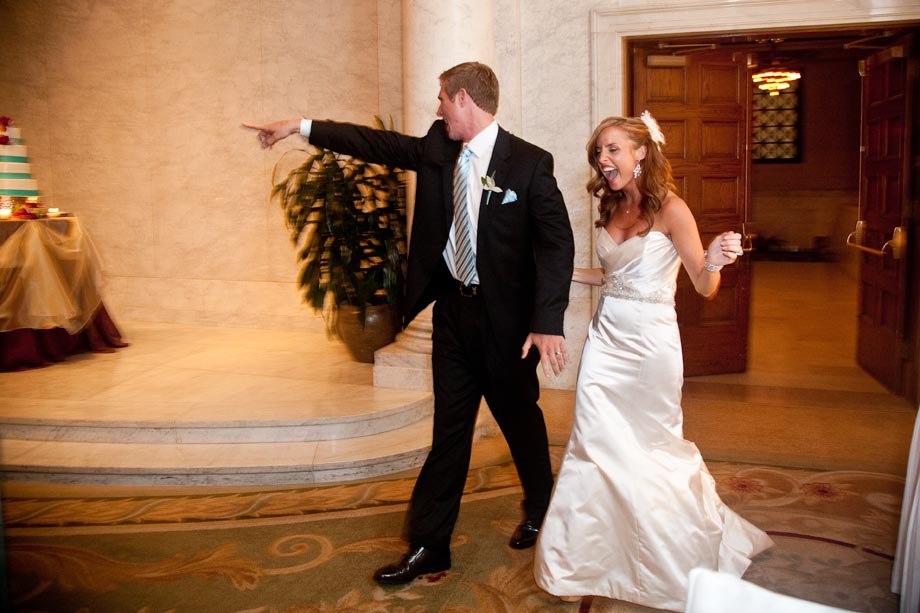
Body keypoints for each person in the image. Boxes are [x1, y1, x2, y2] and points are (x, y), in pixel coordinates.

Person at [244, 62, 575, 585]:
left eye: (442, 98)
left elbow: (557, 243)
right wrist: (300, 127)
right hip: (453, 317)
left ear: (464, 98)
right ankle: (430, 546)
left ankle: (541, 505)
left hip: (509, 328)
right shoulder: (438, 149)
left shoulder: (530, 164)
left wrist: (548, 319)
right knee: (449, 433)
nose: (436, 107)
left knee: (520, 422)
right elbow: (375, 144)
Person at [532, 112, 773, 611]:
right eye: (599, 150)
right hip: (605, 345)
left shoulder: (673, 210)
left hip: (651, 347)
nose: (603, 159)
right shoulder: (611, 204)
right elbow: (612, 274)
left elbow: (704, 286)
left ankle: (673, 555)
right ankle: (588, 560)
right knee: (592, 447)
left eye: (613, 149)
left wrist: (714, 259)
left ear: (641, 152)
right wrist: (557, 273)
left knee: (651, 447)